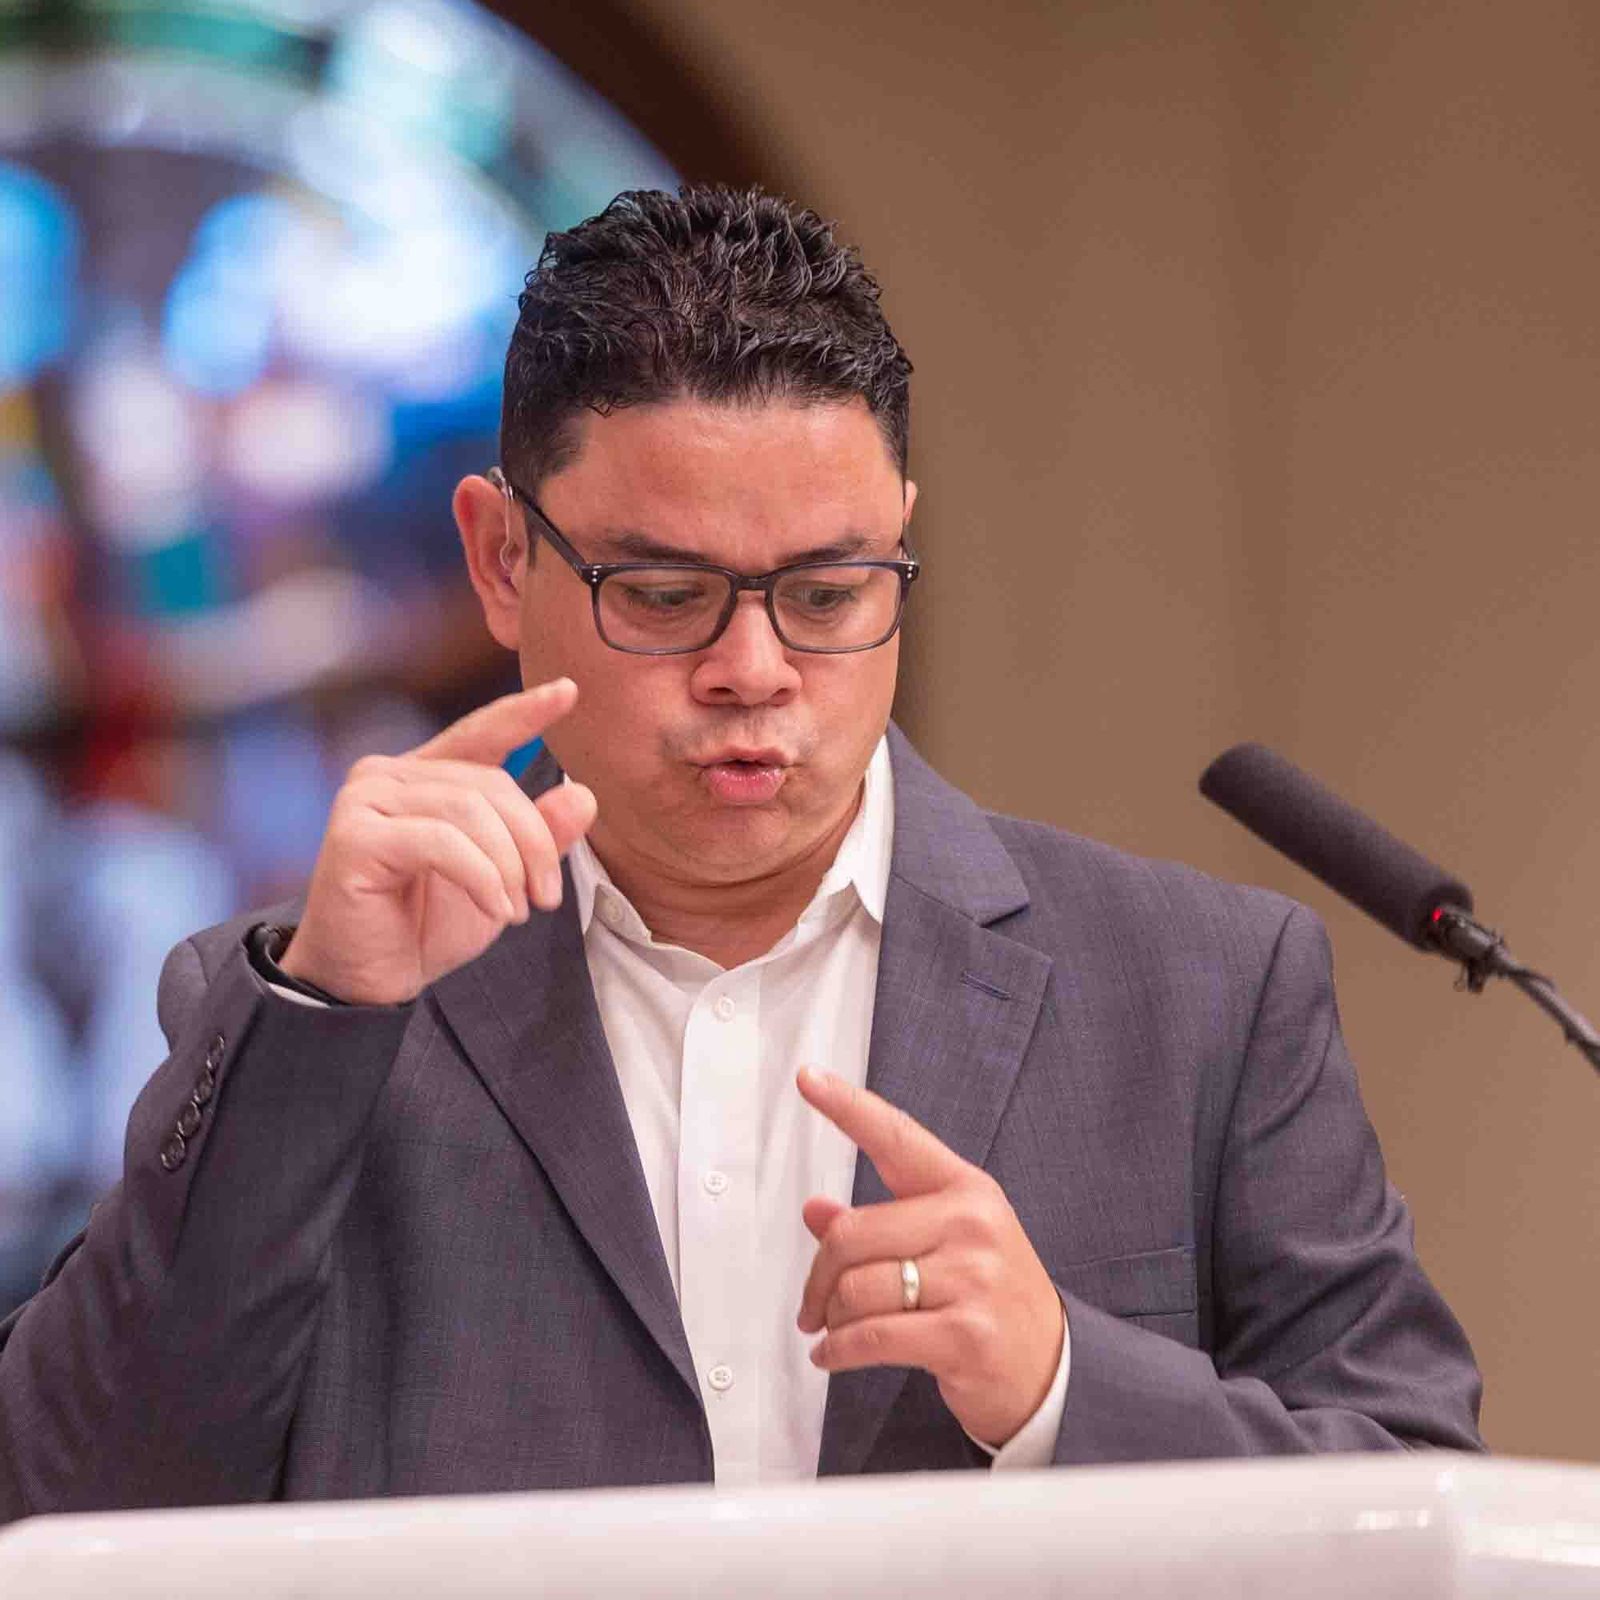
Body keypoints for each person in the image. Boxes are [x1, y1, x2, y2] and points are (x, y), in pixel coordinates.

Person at [0, 186, 1481, 1518]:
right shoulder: (305, 1009)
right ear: (505, 560)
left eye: (831, 594)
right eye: (663, 592)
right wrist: (321, 1018)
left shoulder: (1202, 989)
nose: (754, 670)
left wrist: (1061, 1388)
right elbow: (68, 1506)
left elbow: (1423, 1510)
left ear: (900, 539)